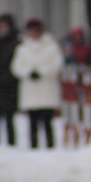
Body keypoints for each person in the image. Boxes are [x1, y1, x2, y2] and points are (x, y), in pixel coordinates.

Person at [10, 18, 64, 149]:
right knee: (32, 121)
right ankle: (33, 146)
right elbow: (16, 67)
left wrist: (42, 72)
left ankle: (50, 146)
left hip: (47, 89)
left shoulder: (51, 46)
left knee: (47, 121)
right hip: (30, 90)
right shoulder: (22, 48)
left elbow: (57, 64)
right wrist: (28, 72)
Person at [0, 14, 20, 146]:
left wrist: (8, 77)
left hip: (10, 86)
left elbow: (19, 63)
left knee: (9, 118)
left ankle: (11, 145)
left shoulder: (16, 43)